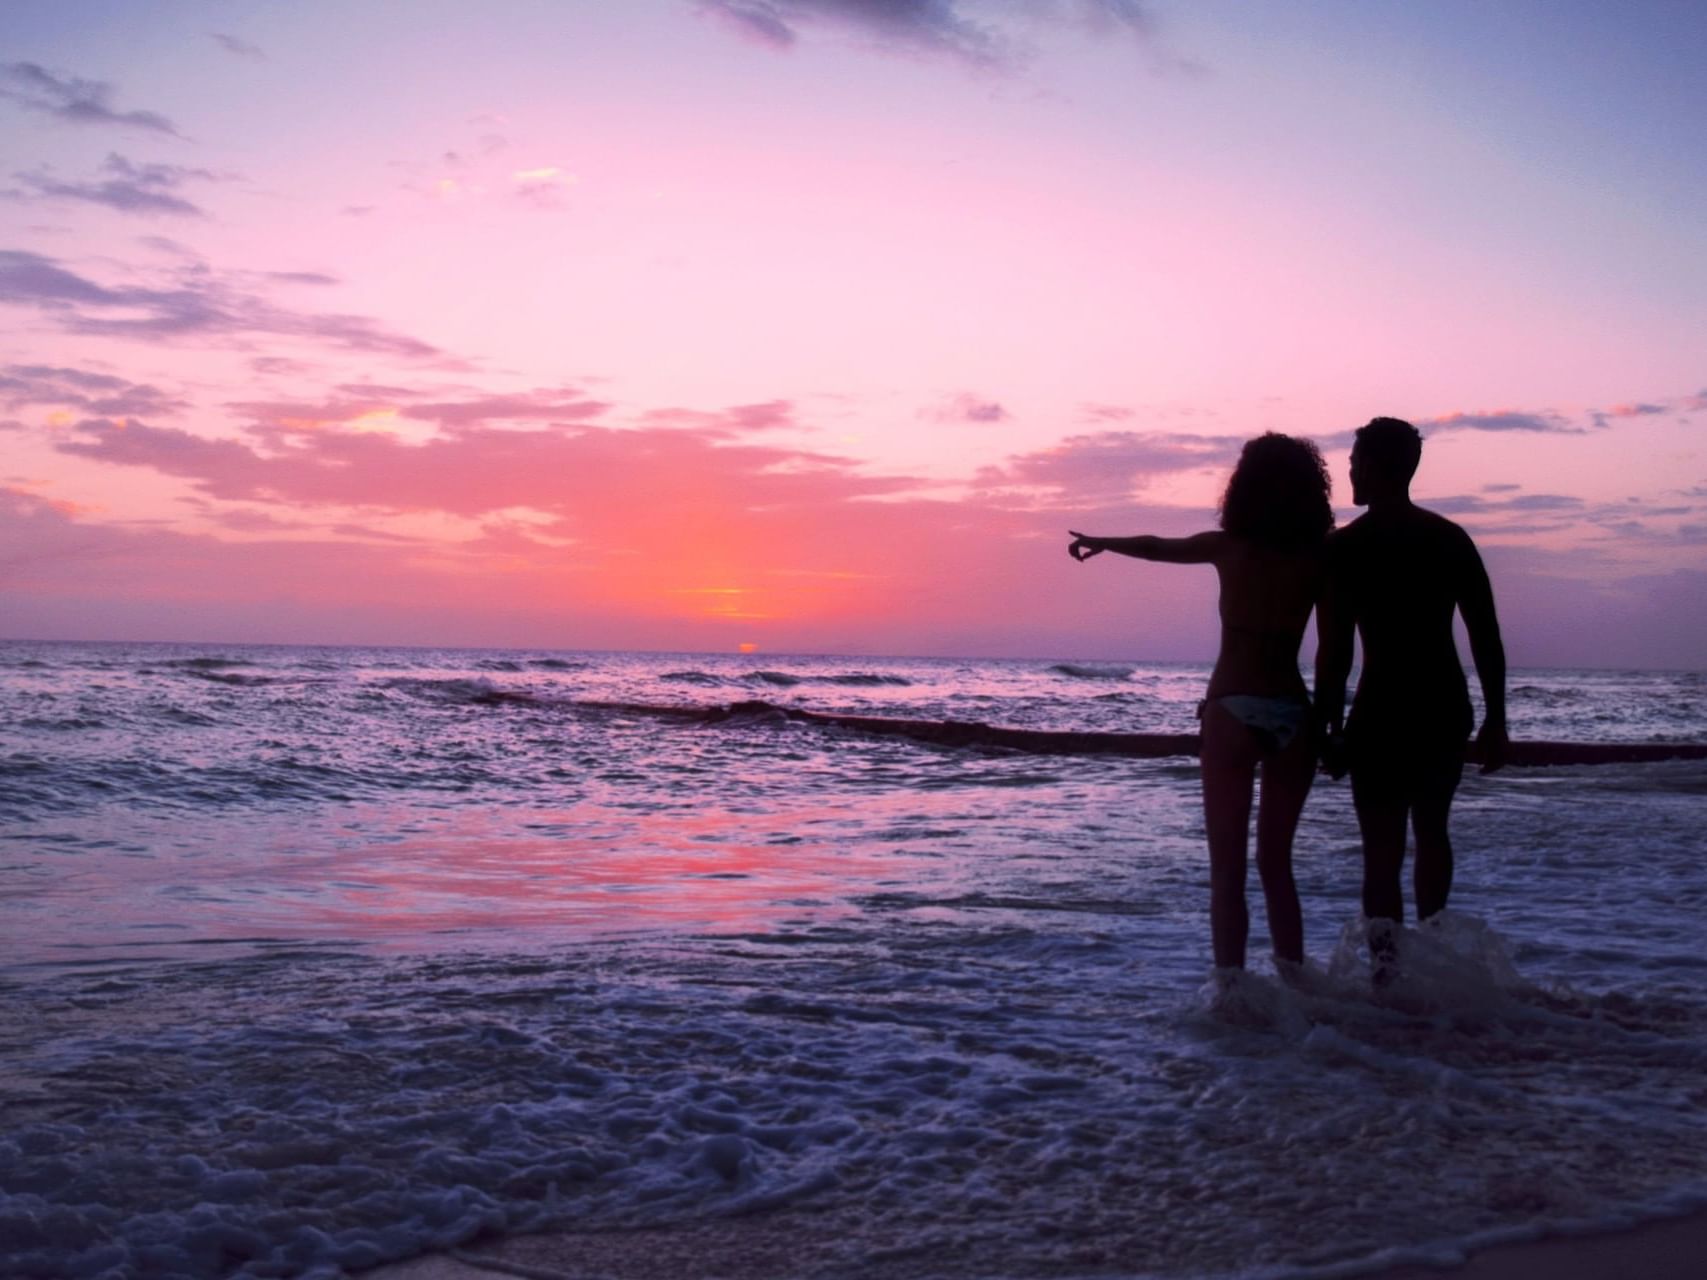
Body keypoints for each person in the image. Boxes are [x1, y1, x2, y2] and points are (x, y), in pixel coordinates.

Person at [1068, 433, 1333, 973]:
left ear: (1244, 489)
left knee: (1227, 871)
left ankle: (1232, 996)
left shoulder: (1228, 547)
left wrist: (1104, 541)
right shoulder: (1319, 559)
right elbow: (1335, 644)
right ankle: (1296, 987)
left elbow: (1158, 546)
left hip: (1231, 708)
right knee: (1277, 867)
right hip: (1292, 713)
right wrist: (1331, 723)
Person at [1314, 417, 1508, 967]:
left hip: (1381, 710)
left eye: (1354, 463)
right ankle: (1434, 954)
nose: (1348, 471)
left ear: (1374, 467)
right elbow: (1485, 637)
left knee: (1382, 851)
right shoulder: (1448, 538)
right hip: (1442, 705)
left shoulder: (1346, 548)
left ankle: (1387, 972)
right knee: (1433, 833)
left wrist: (1328, 726)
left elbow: (1336, 650)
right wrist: (1496, 719)